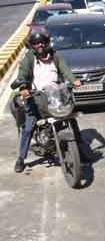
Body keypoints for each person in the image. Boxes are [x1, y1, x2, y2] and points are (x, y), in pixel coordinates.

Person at [12, 31, 82, 173]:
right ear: (32, 45)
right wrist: (24, 88)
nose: (40, 45)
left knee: (71, 117)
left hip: (56, 95)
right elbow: (23, 74)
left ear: (47, 42)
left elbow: (65, 68)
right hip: (36, 97)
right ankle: (20, 158)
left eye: (42, 42)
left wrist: (73, 79)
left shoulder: (54, 55)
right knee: (28, 126)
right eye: (36, 43)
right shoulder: (29, 58)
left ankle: (80, 148)